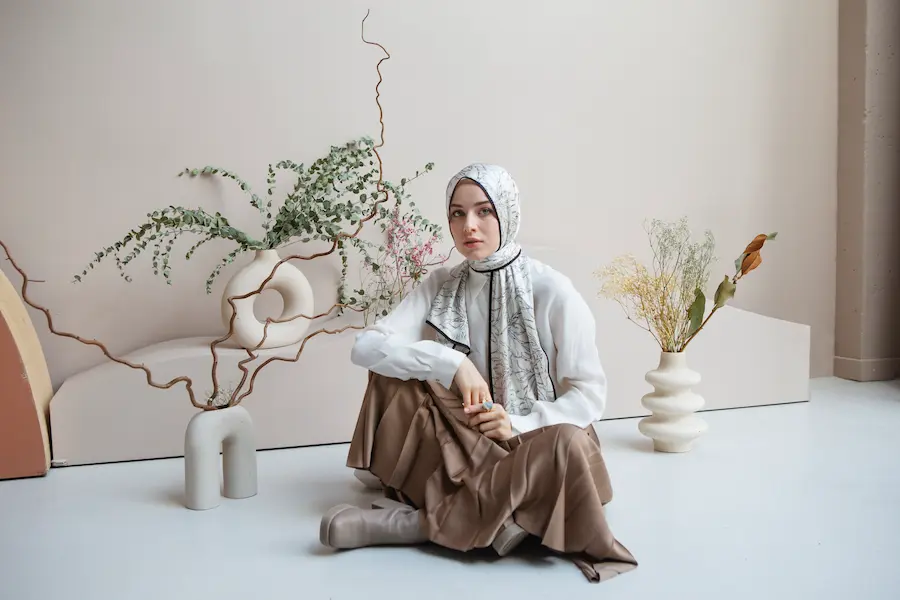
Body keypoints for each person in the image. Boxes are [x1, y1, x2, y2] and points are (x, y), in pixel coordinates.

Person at [318, 163, 637, 583]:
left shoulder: (551, 290)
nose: (469, 225)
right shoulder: (441, 284)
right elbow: (366, 347)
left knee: (570, 444)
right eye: (458, 213)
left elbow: (588, 395)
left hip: (534, 445)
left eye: (484, 211)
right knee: (396, 374)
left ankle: (421, 524)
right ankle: (505, 517)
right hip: (467, 443)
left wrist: (515, 424)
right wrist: (453, 364)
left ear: (507, 212)